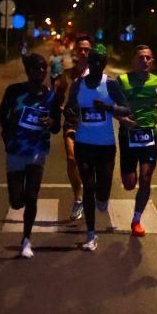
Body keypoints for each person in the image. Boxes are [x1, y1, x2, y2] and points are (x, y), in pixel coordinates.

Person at [63, 46, 131, 251]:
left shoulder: (110, 84)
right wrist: (70, 111)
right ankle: (91, 234)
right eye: (93, 61)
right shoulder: (78, 85)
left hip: (105, 146)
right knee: (89, 187)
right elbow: (69, 107)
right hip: (84, 144)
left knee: (102, 189)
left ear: (105, 64)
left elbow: (126, 109)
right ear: (88, 63)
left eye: (101, 62)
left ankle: (103, 199)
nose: (97, 65)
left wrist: (108, 107)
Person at [0, 54, 62, 259]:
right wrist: (8, 134)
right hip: (16, 150)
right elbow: (1, 116)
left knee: (32, 196)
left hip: (37, 150)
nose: (40, 72)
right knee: (17, 201)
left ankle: (26, 240)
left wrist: (51, 122)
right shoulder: (14, 91)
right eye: (36, 68)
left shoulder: (51, 97)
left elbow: (56, 126)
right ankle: (20, 202)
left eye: (43, 68)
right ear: (28, 71)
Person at [118, 45, 157, 235]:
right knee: (129, 183)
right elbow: (114, 106)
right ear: (133, 61)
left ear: (152, 61)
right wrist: (122, 119)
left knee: (145, 178)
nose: (145, 61)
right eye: (141, 57)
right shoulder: (122, 81)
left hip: (148, 136)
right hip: (128, 135)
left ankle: (136, 220)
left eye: (148, 58)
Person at [54, 35, 92, 221]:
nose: (83, 52)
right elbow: (58, 95)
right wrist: (59, 106)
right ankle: (78, 198)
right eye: (81, 49)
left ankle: (90, 193)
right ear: (76, 50)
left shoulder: (97, 76)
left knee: (88, 164)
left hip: (91, 123)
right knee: (71, 159)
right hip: (72, 121)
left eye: (87, 49)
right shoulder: (67, 74)